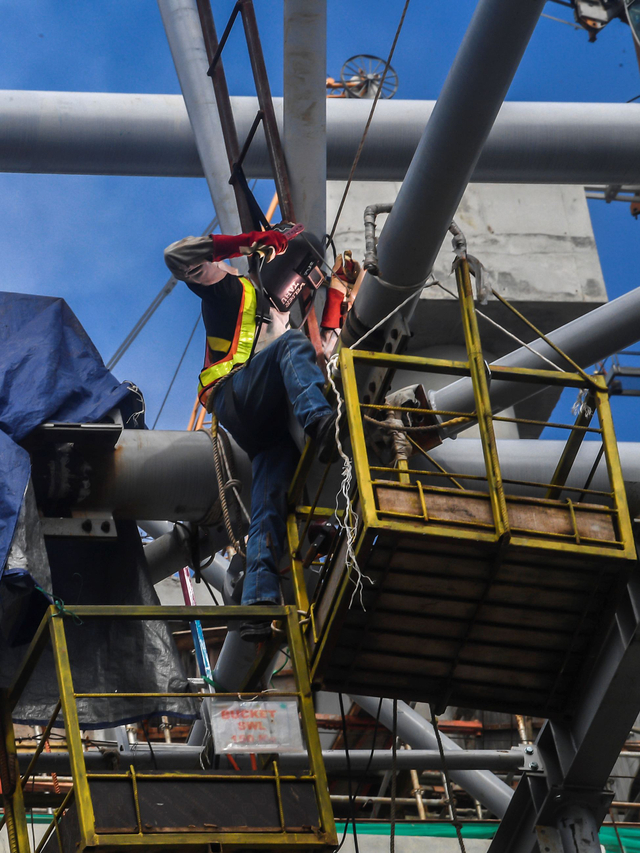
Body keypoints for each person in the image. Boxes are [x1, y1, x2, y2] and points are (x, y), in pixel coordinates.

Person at [164, 228, 336, 641]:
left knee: (269, 503)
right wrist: (253, 239)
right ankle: (321, 425)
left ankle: (257, 603)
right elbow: (177, 254)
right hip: (236, 395)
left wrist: (339, 299)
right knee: (293, 348)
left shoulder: (279, 319)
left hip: (266, 424)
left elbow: (319, 353)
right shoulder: (224, 286)